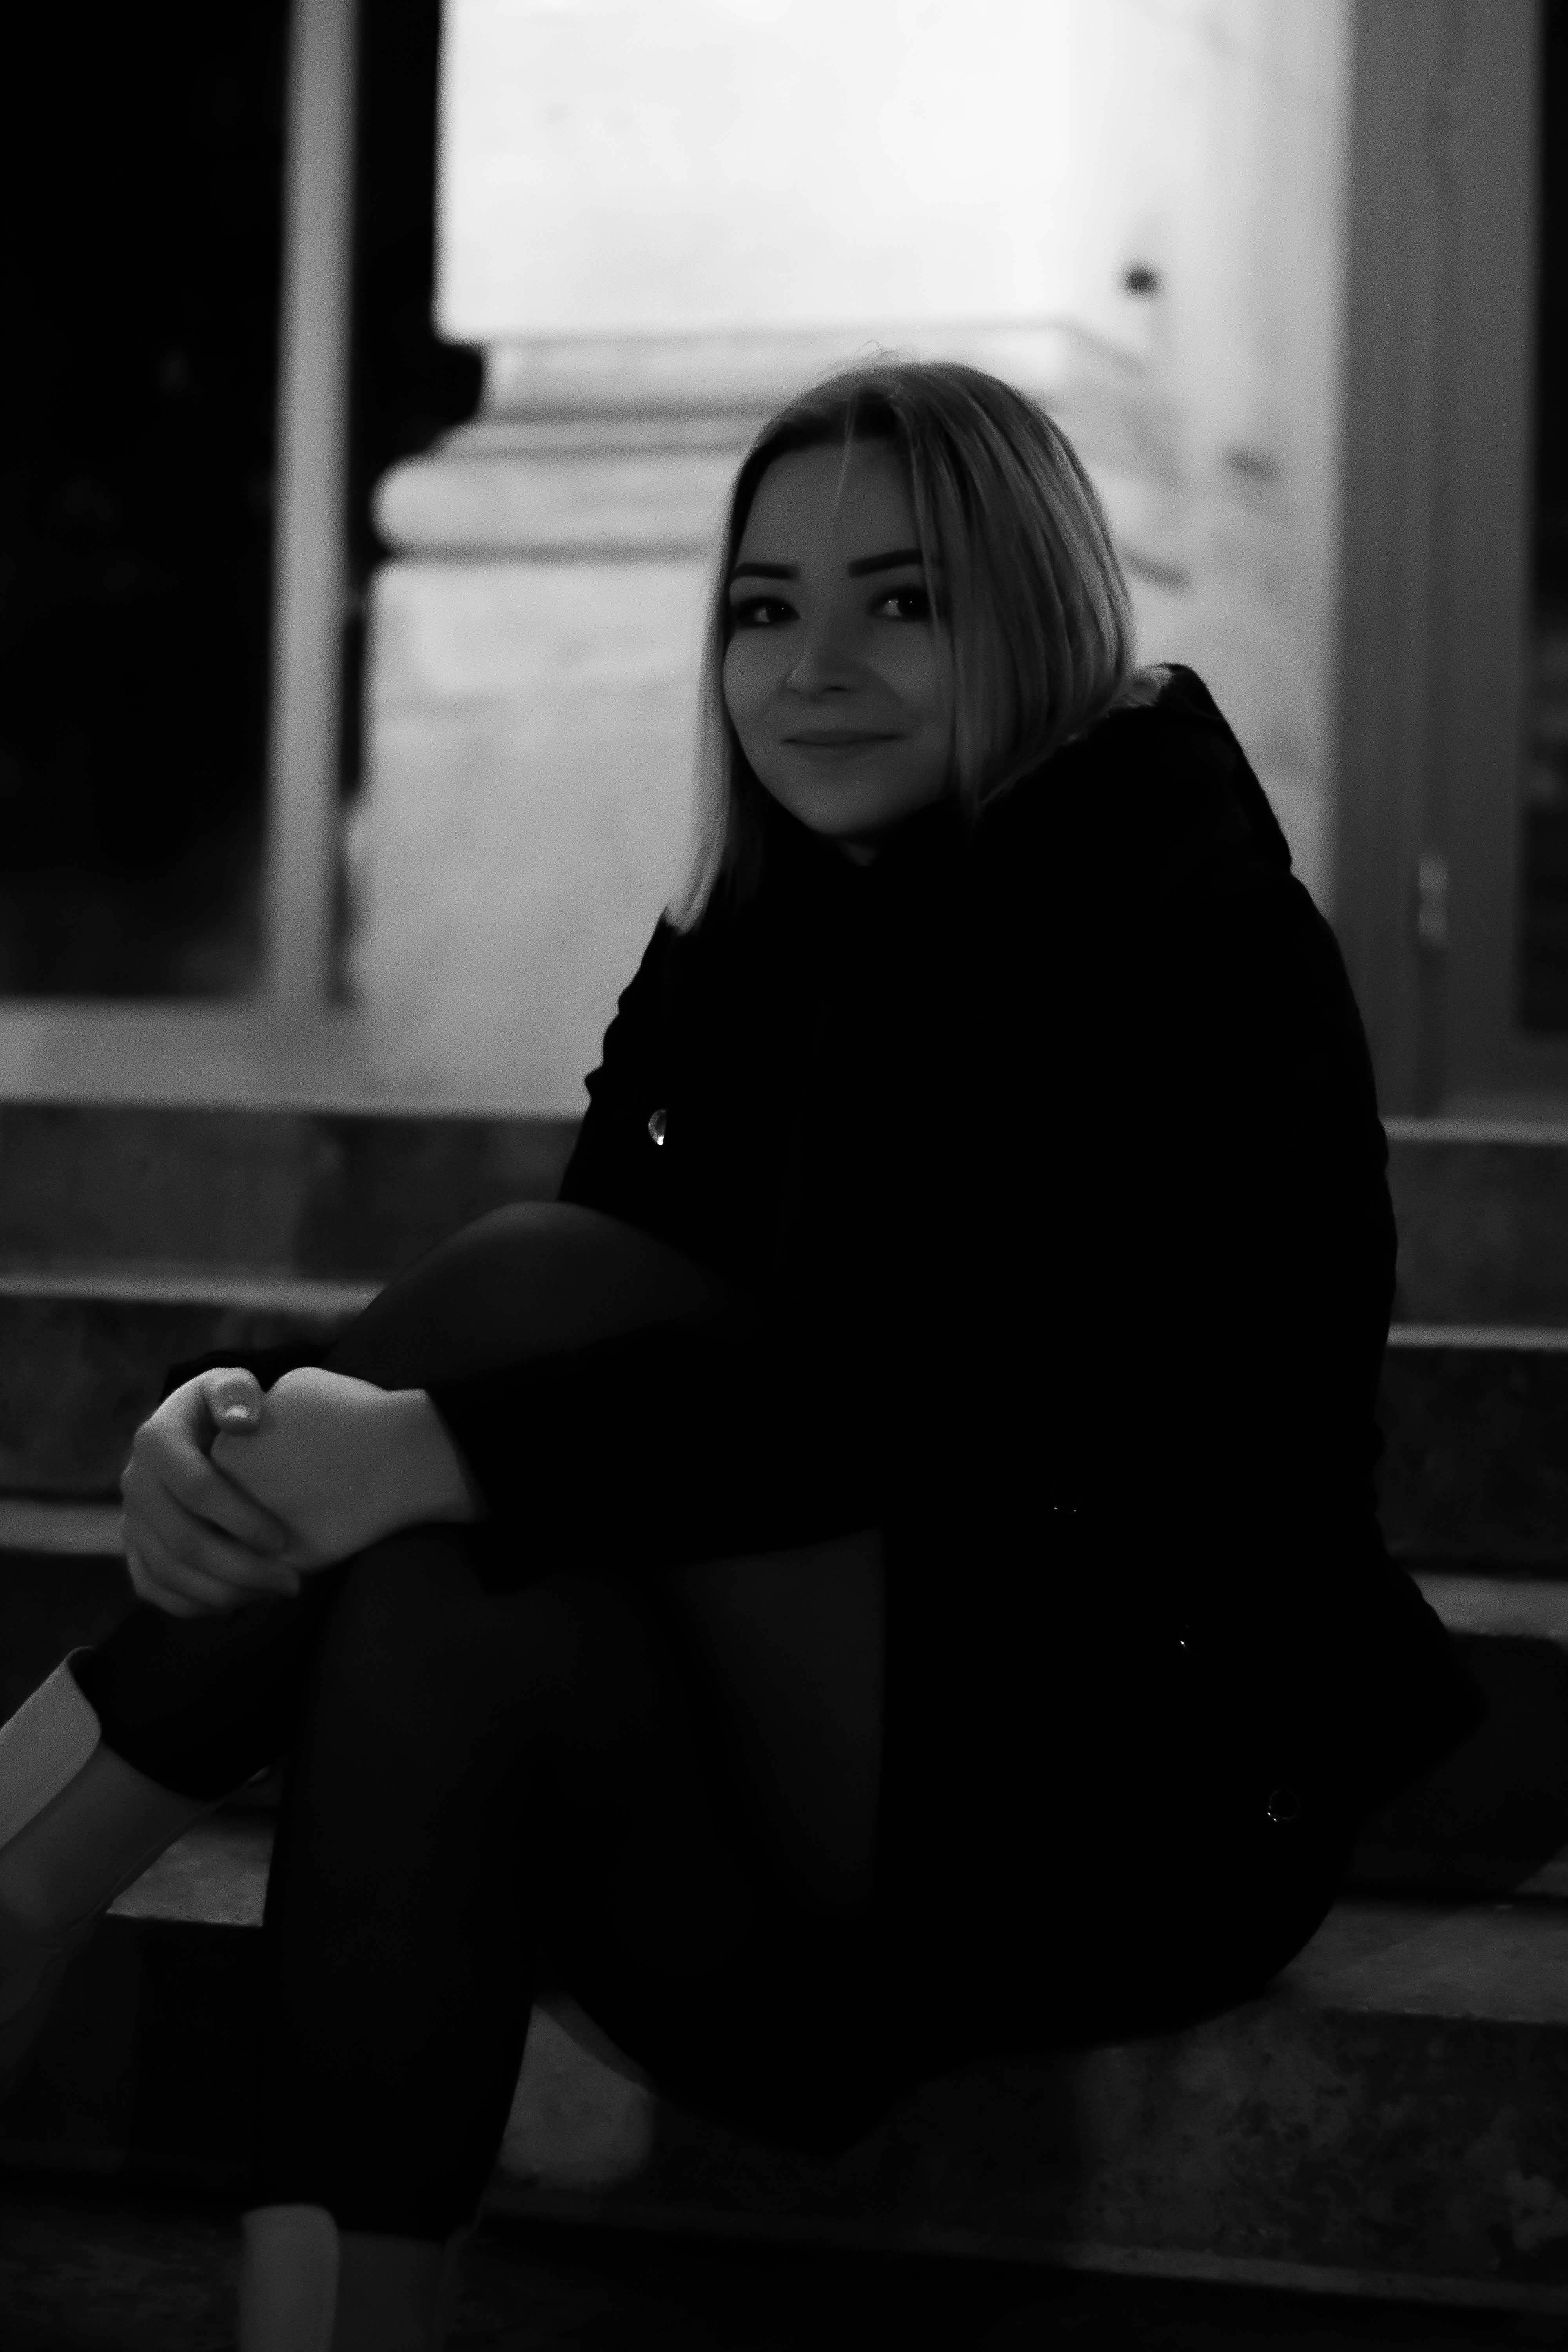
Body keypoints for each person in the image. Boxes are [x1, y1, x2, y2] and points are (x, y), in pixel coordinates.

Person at [0, 362, 1480, 2350]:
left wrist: (419, 1443)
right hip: (822, 1764)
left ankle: (23, 1864)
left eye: (902, 600)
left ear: (1033, 609)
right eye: (764, 609)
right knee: (438, 1597)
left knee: (517, 1315)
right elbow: (598, 1370)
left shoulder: (1175, 926)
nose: (814, 667)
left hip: (1116, 1779)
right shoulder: (757, 932)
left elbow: (940, 1402)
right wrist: (245, 1408)